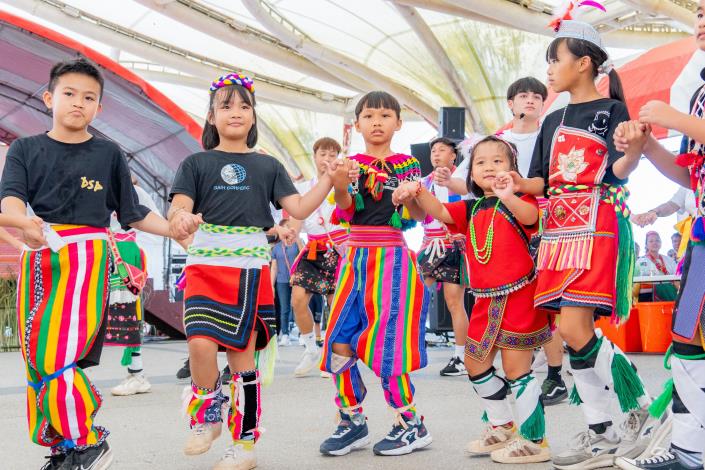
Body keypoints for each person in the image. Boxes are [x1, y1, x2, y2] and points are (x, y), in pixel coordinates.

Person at [0, 58, 181, 470]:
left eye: (89, 97)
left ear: (99, 108)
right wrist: (20, 221)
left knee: (55, 357)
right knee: (38, 359)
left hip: (87, 258)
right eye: (69, 93)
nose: (78, 102)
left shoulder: (109, 153)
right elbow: (10, 198)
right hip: (41, 256)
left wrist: (175, 230)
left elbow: (132, 213)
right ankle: (67, 449)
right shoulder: (26, 149)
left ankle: (89, 441)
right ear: (48, 98)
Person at [507, 19, 666, 469]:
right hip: (557, 232)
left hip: (597, 223)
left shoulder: (612, 110)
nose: (549, 70)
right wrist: (518, 181)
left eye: (554, 60)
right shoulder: (552, 118)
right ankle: (604, 432)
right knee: (571, 333)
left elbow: (620, 169)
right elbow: (541, 180)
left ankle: (644, 409)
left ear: (584, 62)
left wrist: (633, 149)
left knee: (575, 330)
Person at [169, 72, 349, 470]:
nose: (236, 112)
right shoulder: (195, 162)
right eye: (226, 105)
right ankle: (206, 415)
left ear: (254, 118)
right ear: (211, 116)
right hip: (204, 265)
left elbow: (299, 209)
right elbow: (177, 207)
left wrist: (327, 179)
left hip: (248, 271)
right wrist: (180, 219)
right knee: (199, 343)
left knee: (241, 360)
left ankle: (245, 447)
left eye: (244, 106)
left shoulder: (268, 165)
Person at [396, 135, 552, 463]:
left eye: (499, 161)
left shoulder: (522, 199)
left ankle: (535, 439)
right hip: (483, 301)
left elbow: (528, 218)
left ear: (513, 170)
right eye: (481, 162)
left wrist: (509, 194)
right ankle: (501, 425)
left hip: (519, 297)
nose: (489, 167)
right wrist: (417, 190)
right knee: (474, 363)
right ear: (470, 174)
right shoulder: (470, 207)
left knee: (515, 369)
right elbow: (438, 210)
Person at [613, 2, 705, 467]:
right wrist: (648, 146)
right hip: (704, 241)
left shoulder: (689, 107)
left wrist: (675, 120)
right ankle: (690, 450)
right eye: (700, 14)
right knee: (687, 341)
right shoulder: (698, 93)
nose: (701, 22)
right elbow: (692, 177)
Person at [318, 91, 432, 457]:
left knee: (389, 345)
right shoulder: (349, 163)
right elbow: (348, 209)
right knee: (338, 336)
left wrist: (410, 195)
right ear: (357, 124)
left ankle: (410, 422)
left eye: (386, 115)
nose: (377, 122)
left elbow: (416, 217)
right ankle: (351, 419)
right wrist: (338, 183)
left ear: (399, 123)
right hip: (355, 259)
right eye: (369, 116)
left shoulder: (409, 165)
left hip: (394, 260)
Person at [287, 137, 349, 377]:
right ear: (314, 157)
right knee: (298, 299)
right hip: (313, 250)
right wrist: (291, 232)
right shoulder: (304, 188)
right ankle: (311, 348)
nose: (327, 159)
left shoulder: (344, 185)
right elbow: (296, 216)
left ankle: (333, 354)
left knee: (335, 305)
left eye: (333, 155)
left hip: (339, 250)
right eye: (323, 154)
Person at [417, 136, 470, 376]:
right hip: (429, 245)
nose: (436, 154)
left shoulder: (461, 181)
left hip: (453, 244)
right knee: (415, 296)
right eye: (433, 151)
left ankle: (461, 356)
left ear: (453, 156)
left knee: (453, 301)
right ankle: (410, 349)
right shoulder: (423, 182)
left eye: (442, 150)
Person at [107, 177, 163, 397]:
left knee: (128, 313)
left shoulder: (136, 193)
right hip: (97, 249)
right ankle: (72, 372)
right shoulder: (93, 184)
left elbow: (155, 218)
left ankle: (136, 373)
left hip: (123, 252)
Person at [269, 219, 301, 346]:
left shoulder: (297, 243)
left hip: (297, 280)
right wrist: (271, 284)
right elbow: (274, 267)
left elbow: (305, 254)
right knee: (284, 308)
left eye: (288, 227)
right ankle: (285, 334)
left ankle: (302, 334)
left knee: (299, 306)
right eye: (284, 227)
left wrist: (298, 239)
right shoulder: (277, 248)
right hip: (282, 281)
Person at [635, 231, 678, 302]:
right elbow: (634, 284)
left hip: (670, 299)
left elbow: (677, 279)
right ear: (646, 245)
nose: (654, 243)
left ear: (661, 243)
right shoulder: (640, 262)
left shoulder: (669, 260)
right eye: (651, 241)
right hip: (648, 301)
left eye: (657, 240)